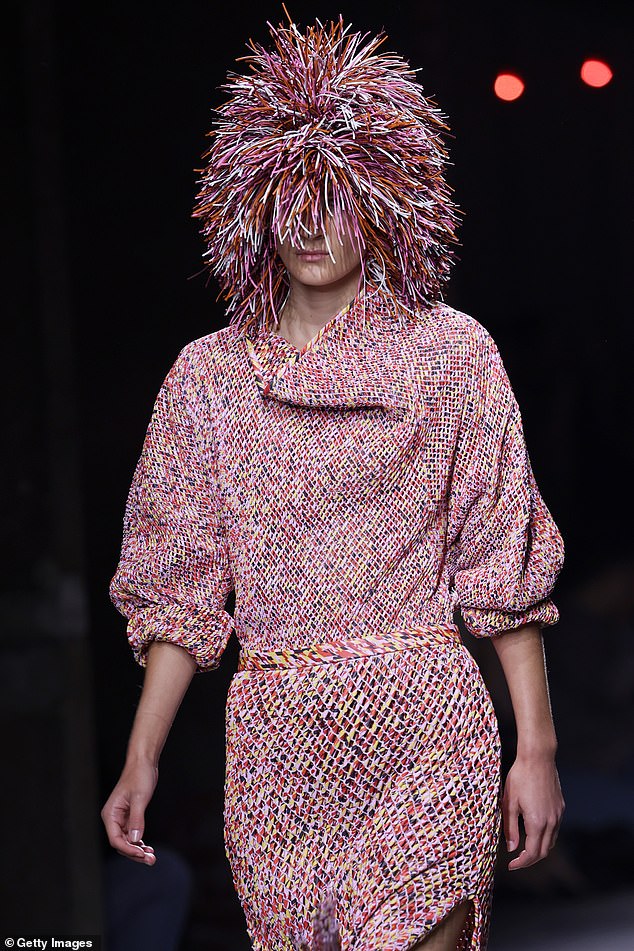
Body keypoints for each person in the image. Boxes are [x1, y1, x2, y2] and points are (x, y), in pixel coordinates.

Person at [101, 11, 566, 951]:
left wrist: (539, 748)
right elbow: (179, 590)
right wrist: (139, 757)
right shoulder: (208, 380)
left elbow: (499, 560)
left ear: (387, 201)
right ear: (254, 205)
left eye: (337, 192)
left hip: (426, 723)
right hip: (280, 749)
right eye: (289, 193)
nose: (311, 221)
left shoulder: (452, 355)